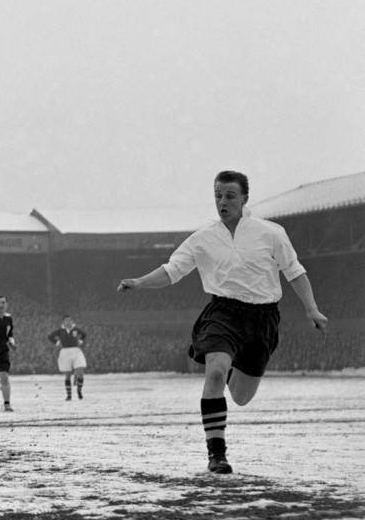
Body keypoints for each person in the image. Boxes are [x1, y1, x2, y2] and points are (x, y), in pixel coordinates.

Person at [118, 170, 327, 474]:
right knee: (215, 372)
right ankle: (217, 455)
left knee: (241, 396)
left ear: (245, 198)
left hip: (263, 318)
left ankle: (232, 366)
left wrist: (312, 309)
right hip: (223, 314)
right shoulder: (203, 238)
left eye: (229, 195)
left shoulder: (271, 233)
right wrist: (139, 281)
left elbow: (294, 271)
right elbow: (172, 270)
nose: (222, 202)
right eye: (217, 195)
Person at [47, 315, 87, 401]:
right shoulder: (60, 331)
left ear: (72, 321)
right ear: (63, 322)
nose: (68, 322)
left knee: (80, 371)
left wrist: (81, 341)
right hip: (65, 351)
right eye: (66, 320)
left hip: (76, 351)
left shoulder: (75, 329)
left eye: (70, 320)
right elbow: (50, 336)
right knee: (68, 375)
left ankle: (79, 391)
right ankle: (69, 395)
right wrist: (57, 342)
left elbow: (84, 334)